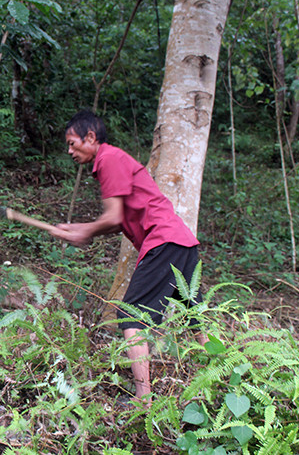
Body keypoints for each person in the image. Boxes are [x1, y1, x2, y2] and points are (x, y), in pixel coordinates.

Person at [50, 109, 207, 401]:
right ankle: (219, 373)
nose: (69, 150)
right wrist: (81, 229)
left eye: (72, 143)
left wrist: (85, 230)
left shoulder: (108, 158)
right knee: (196, 316)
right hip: (183, 241)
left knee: (131, 316)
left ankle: (143, 400)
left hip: (163, 242)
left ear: (91, 137)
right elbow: (119, 221)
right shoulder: (113, 160)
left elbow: (112, 217)